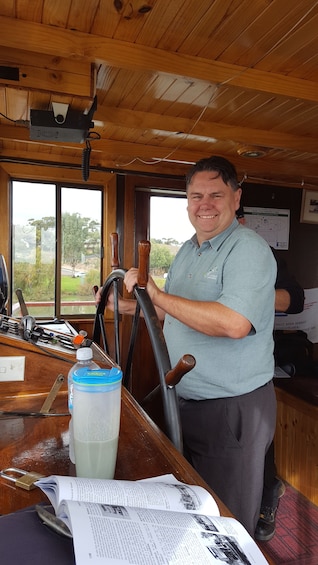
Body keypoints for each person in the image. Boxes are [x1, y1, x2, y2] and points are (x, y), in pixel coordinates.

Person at [100, 156, 277, 537]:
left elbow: (233, 322)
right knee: (192, 507)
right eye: (196, 196)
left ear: (236, 197)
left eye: (216, 194)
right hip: (184, 400)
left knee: (226, 523)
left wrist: (158, 295)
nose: (205, 204)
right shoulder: (188, 249)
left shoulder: (249, 250)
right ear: (187, 201)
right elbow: (173, 312)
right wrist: (127, 306)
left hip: (231, 411)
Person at [237, 204, 305, 541]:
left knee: (257, 443)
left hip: (253, 365)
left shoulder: (265, 257)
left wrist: (249, 298)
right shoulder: (199, 258)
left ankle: (267, 498)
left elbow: (294, 299)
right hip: (210, 370)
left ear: (242, 221)